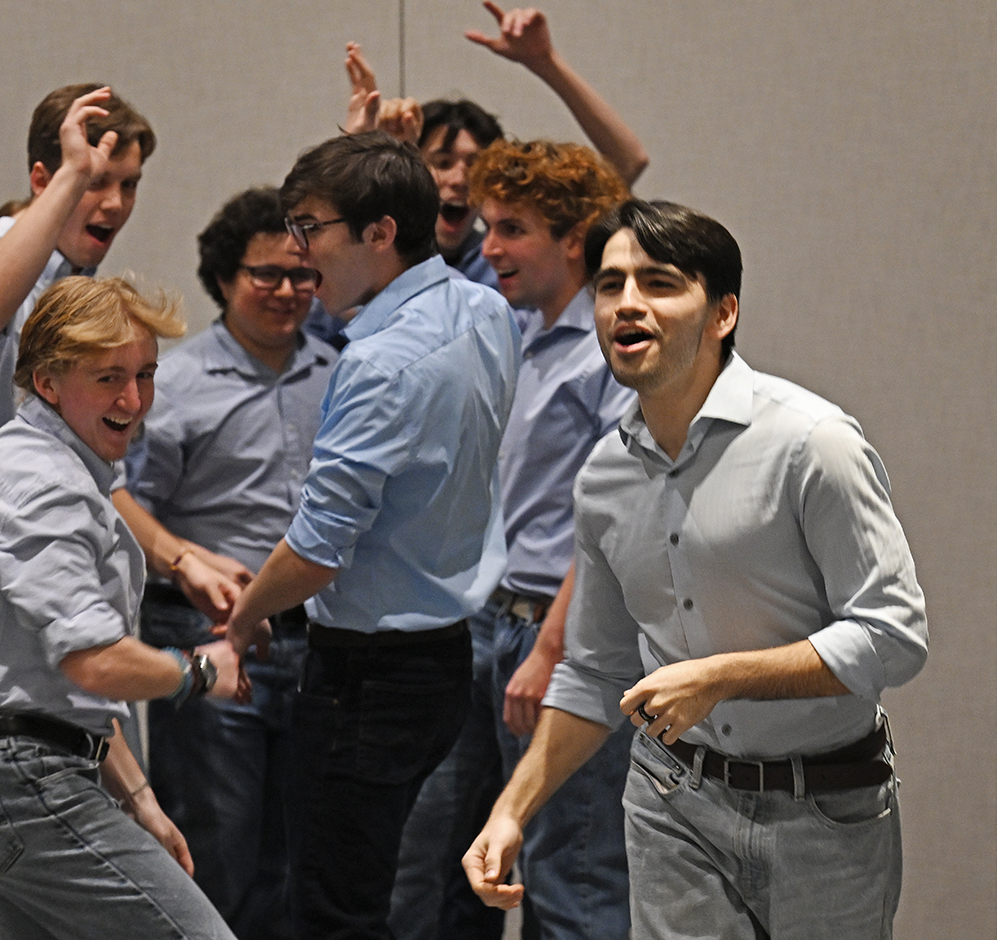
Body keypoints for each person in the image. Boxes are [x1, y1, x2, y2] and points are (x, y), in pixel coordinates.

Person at [465, 199, 928, 940]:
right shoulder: (604, 478)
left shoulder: (813, 444)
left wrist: (721, 676)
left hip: (828, 807)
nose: (627, 304)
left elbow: (894, 636)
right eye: (610, 285)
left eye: (659, 282)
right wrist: (511, 810)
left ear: (722, 313)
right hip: (672, 799)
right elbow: (593, 670)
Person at [225, 131, 522, 940]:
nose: (298, 249)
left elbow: (319, 550)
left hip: (368, 677)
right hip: (447, 656)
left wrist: (244, 618)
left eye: (311, 227)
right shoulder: (484, 307)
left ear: (381, 233)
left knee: (332, 912)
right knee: (391, 892)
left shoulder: (381, 362)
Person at [0, 275, 241, 940]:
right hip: (17, 780)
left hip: (2, 774)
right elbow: (94, 663)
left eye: (145, 374)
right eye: (108, 378)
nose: (134, 400)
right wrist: (199, 672)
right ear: (46, 382)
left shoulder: (45, 468)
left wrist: (140, 801)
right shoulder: (45, 485)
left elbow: (64, 693)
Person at [0, 83, 247, 640]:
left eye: (128, 184)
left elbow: (105, 482)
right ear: (44, 180)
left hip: (74, 565)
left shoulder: (85, 297)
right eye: (95, 181)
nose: (115, 203)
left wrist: (182, 562)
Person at [404, 139, 633, 940]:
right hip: (482, 625)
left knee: (570, 872)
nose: (488, 247)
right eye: (488, 226)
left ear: (574, 238)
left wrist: (552, 650)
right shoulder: (513, 334)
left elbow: (613, 520)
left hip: (556, 636)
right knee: (451, 865)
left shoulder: (611, 350)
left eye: (512, 229)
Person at [125, 187, 336, 939]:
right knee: (214, 848)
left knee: (296, 856)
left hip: (319, 641)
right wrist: (183, 559)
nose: (287, 292)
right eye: (266, 275)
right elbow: (120, 501)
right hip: (204, 634)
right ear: (223, 277)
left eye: (302, 275)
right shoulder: (172, 385)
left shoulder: (342, 374)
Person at [342, 2, 648, 292]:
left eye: (475, 165)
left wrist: (545, 61)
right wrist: (366, 151)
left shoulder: (505, 262)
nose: (460, 180)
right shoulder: (368, 254)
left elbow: (628, 162)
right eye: (443, 162)